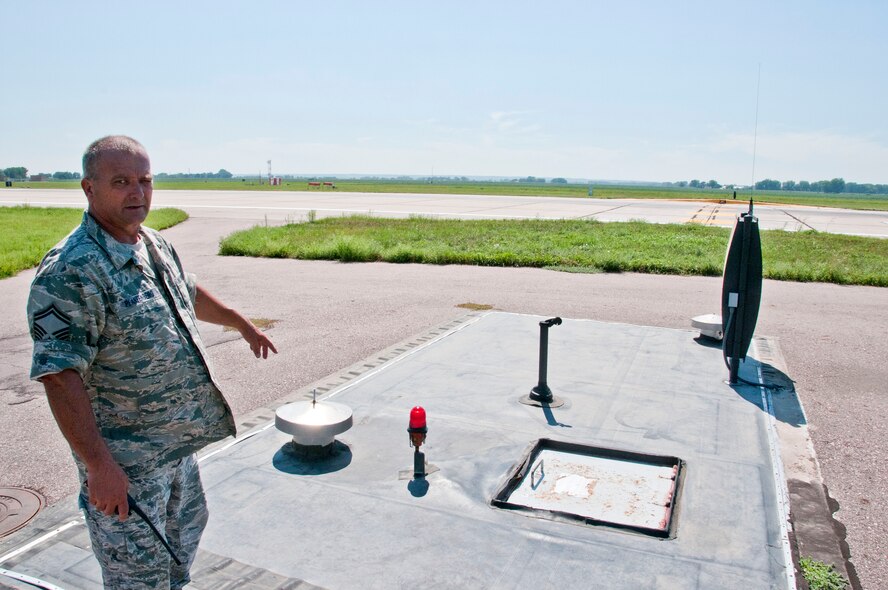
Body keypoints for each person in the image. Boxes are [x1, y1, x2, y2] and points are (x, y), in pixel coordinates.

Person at [27, 135, 277, 589]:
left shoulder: (152, 243)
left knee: (181, 547)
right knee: (138, 577)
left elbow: (187, 291)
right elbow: (60, 377)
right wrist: (100, 468)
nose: (137, 192)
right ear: (89, 188)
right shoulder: (72, 269)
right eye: (121, 181)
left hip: (174, 447)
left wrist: (240, 323)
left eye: (144, 180)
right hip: (126, 465)